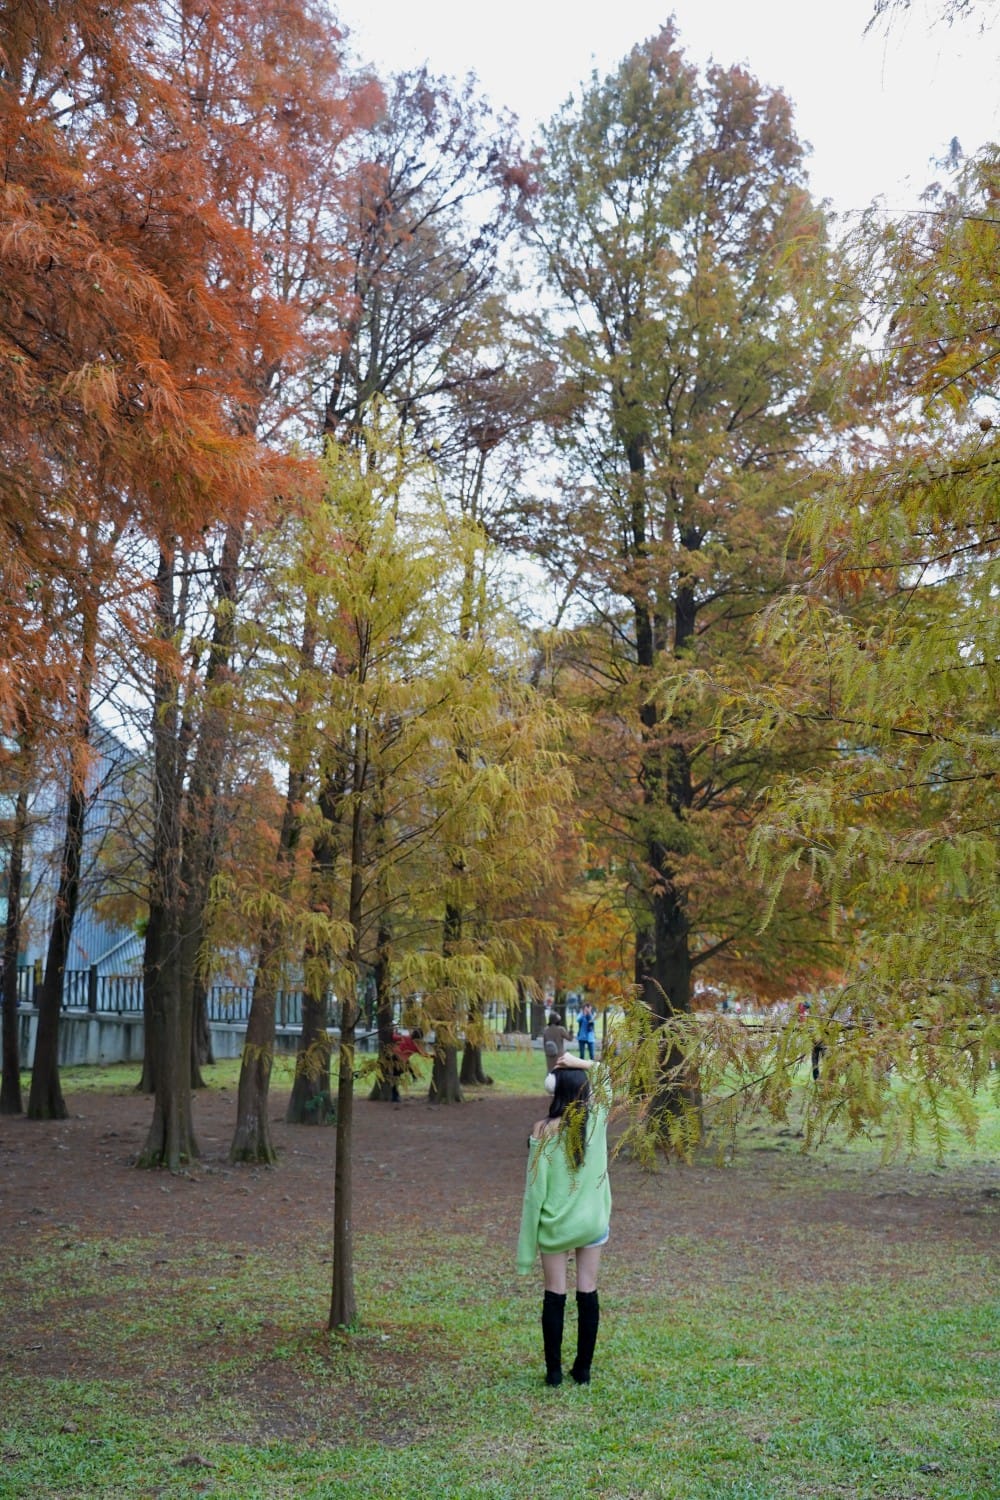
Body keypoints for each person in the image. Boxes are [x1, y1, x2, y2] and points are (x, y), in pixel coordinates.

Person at [516, 1055, 611, 1386]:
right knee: (588, 1289)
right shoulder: (597, 1119)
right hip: (592, 1223)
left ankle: (554, 1373)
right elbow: (608, 1077)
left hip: (555, 1226)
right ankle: (582, 1370)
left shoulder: (542, 1130)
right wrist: (579, 1061)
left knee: (555, 1293)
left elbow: (534, 1193)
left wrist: (525, 1251)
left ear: (554, 1090)